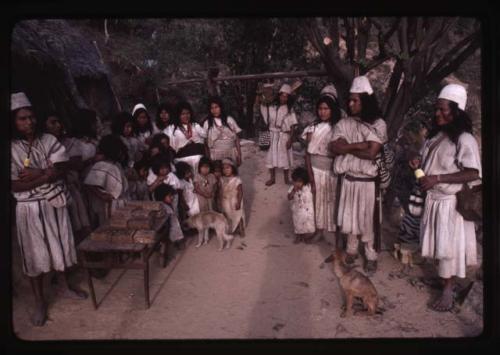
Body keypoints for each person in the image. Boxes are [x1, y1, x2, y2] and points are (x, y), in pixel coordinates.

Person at [10, 92, 87, 327]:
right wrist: (46, 175)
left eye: (31, 117)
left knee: (62, 246)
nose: (29, 122)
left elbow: (62, 168)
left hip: (54, 203)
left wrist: (37, 174)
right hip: (29, 209)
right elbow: (14, 183)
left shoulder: (48, 140)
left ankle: (67, 285)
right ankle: (40, 302)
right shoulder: (11, 148)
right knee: (34, 256)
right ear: (13, 122)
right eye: (22, 118)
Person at [415, 83, 481, 312]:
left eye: (443, 109)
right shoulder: (435, 136)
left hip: (450, 204)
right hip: (434, 199)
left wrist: (438, 178)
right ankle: (444, 281)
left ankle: (448, 291)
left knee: (448, 248)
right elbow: (426, 164)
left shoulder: (465, 140)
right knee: (439, 245)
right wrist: (417, 165)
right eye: (437, 109)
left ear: (456, 111)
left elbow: (473, 172)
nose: (437, 113)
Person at [330, 76, 387, 274]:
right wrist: (359, 145)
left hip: (367, 182)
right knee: (350, 218)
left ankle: (371, 255)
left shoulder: (378, 124)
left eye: (356, 100)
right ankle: (352, 250)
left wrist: (348, 146)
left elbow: (372, 152)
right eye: (350, 100)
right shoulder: (344, 123)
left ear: (366, 101)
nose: (351, 103)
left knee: (367, 220)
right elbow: (334, 147)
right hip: (348, 179)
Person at [41, 111, 91, 243]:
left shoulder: (69, 143)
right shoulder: (39, 146)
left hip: (71, 189)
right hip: (50, 193)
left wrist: (60, 165)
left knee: (80, 224)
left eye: (58, 122)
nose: (58, 125)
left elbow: (78, 163)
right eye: (53, 122)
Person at [302, 95, 342, 243]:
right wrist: (310, 176)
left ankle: (337, 237)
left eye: (326, 109)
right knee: (316, 201)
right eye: (320, 108)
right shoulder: (312, 128)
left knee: (331, 201)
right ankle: (319, 231)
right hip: (315, 169)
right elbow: (307, 154)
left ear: (332, 110)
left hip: (332, 171)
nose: (322, 112)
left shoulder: (338, 128)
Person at [84, 134, 129, 228]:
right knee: (108, 226)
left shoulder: (116, 164)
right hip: (107, 205)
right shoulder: (101, 165)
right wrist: (102, 195)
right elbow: (90, 184)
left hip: (119, 202)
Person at [260, 83, 299, 185]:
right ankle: (272, 178)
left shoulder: (289, 109)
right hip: (272, 134)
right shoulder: (272, 106)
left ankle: (286, 178)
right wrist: (265, 91)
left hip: (284, 136)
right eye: (282, 95)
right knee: (271, 156)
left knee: (285, 156)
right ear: (279, 95)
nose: (284, 98)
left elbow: (293, 126)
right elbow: (263, 105)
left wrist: (290, 139)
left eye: (286, 97)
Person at [166, 101, 207, 176]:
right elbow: (170, 148)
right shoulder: (172, 128)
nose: (186, 116)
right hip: (182, 159)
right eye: (183, 114)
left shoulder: (195, 125)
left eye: (188, 113)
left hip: (198, 158)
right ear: (178, 115)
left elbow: (205, 138)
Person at [203, 96, 242, 165]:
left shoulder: (229, 120)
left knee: (231, 173)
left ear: (221, 107)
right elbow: (205, 143)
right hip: (215, 154)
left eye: (216, 107)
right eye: (212, 108)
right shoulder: (207, 123)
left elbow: (236, 139)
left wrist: (239, 155)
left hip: (231, 152)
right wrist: (208, 157)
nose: (214, 110)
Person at [288, 167, 315, 244]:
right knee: (298, 224)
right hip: (298, 211)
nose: (297, 183)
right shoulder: (293, 188)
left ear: (304, 181)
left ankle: (305, 237)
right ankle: (298, 236)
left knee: (307, 224)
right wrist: (293, 191)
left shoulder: (309, 188)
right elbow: (289, 197)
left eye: (299, 181)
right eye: (295, 181)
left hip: (307, 211)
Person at [154, 184, 185, 250]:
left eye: (172, 195)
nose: (172, 197)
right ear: (162, 197)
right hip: (167, 230)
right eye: (169, 196)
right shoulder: (163, 207)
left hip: (174, 229)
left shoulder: (168, 205)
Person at [219, 158, 245, 236]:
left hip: (235, 200)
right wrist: (220, 199)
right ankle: (230, 228)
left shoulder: (237, 179)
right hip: (226, 200)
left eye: (228, 168)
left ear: (233, 168)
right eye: (223, 168)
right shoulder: (222, 179)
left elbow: (240, 192)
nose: (225, 170)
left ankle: (241, 229)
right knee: (228, 214)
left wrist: (239, 202)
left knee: (238, 214)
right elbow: (220, 190)